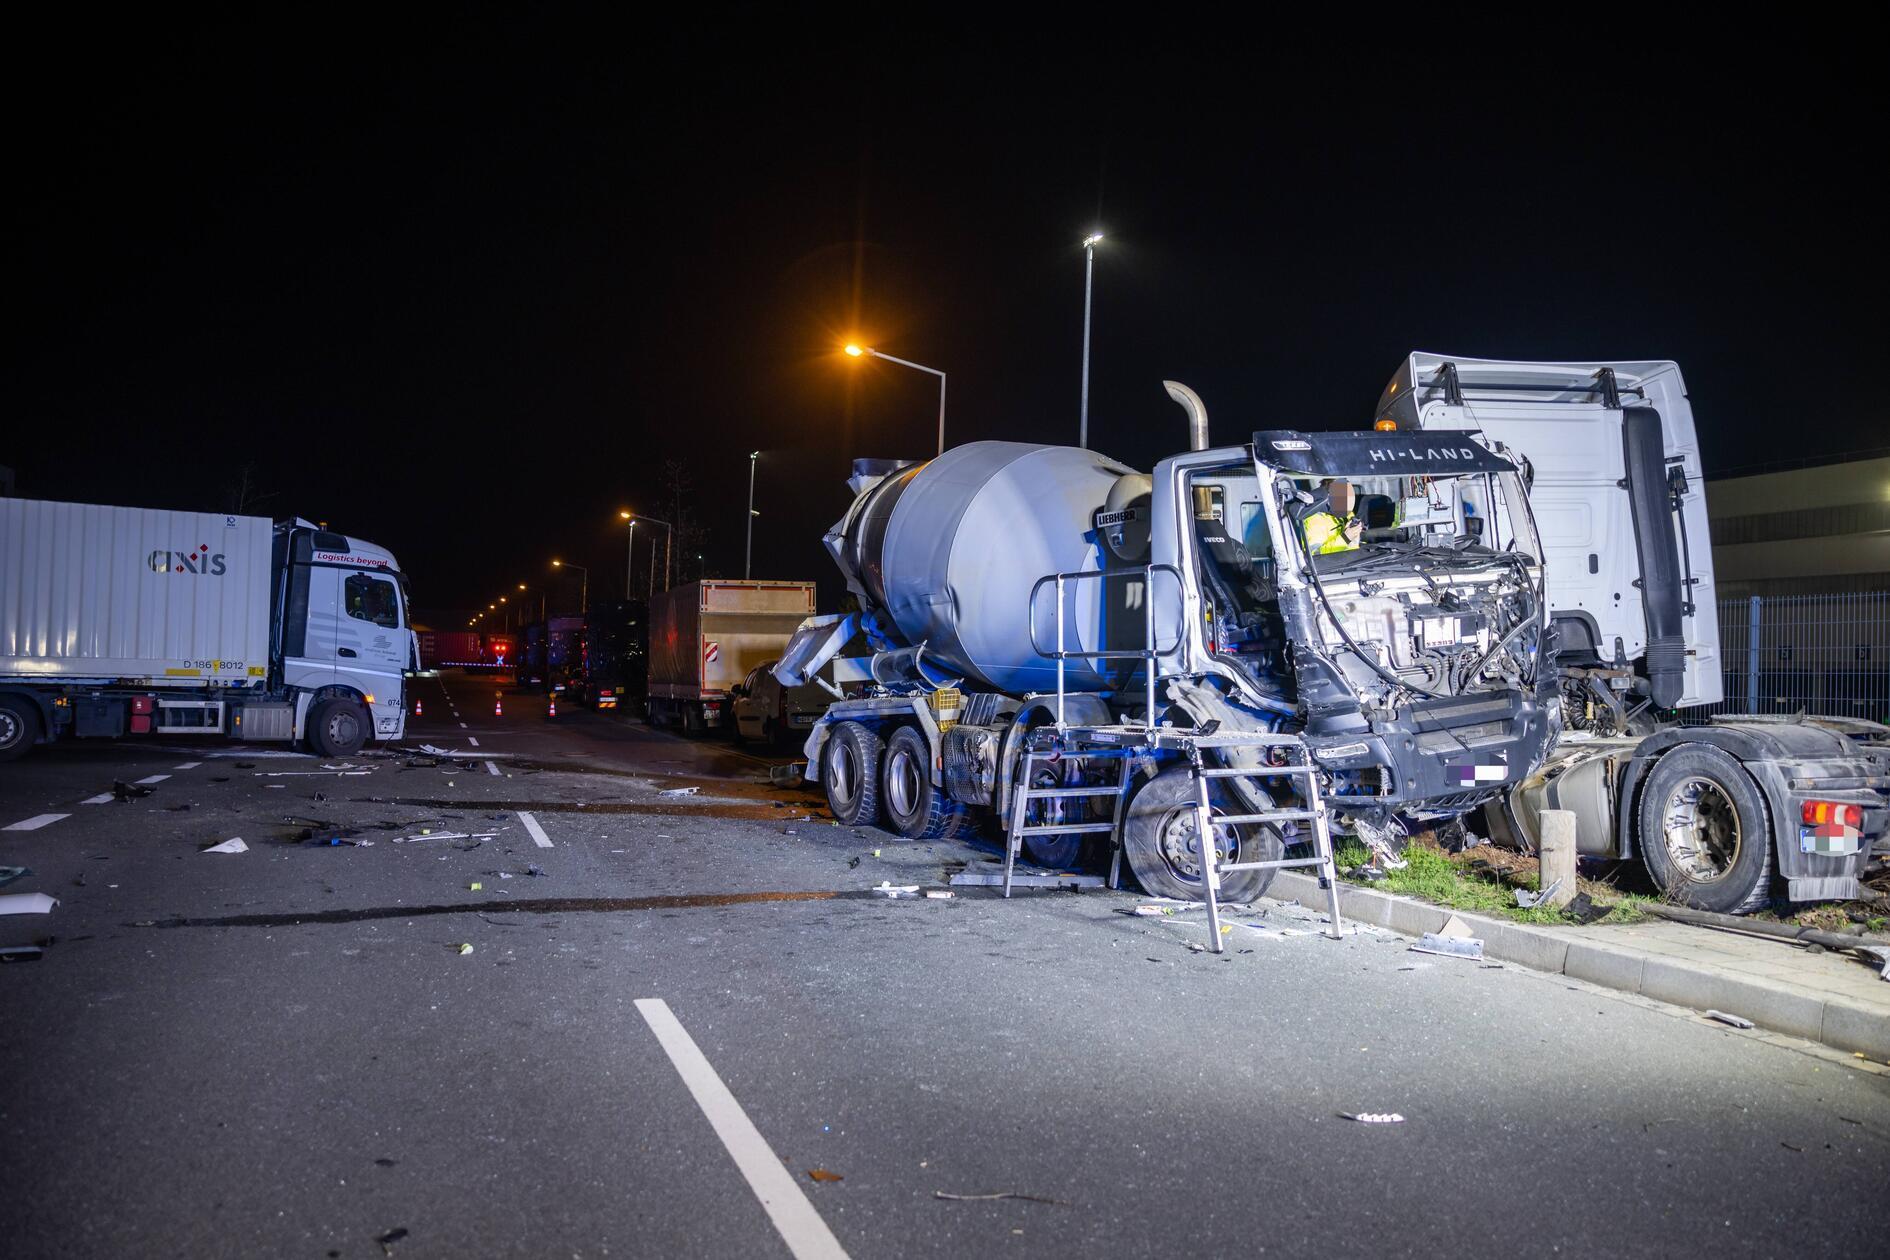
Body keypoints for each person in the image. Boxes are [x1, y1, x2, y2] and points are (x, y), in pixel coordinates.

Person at [1301, 479, 1362, 555]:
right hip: (1334, 565)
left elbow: (1354, 545)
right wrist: (1345, 538)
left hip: (1354, 559)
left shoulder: (1347, 513)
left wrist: (1356, 536)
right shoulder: (1314, 520)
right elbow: (1315, 555)